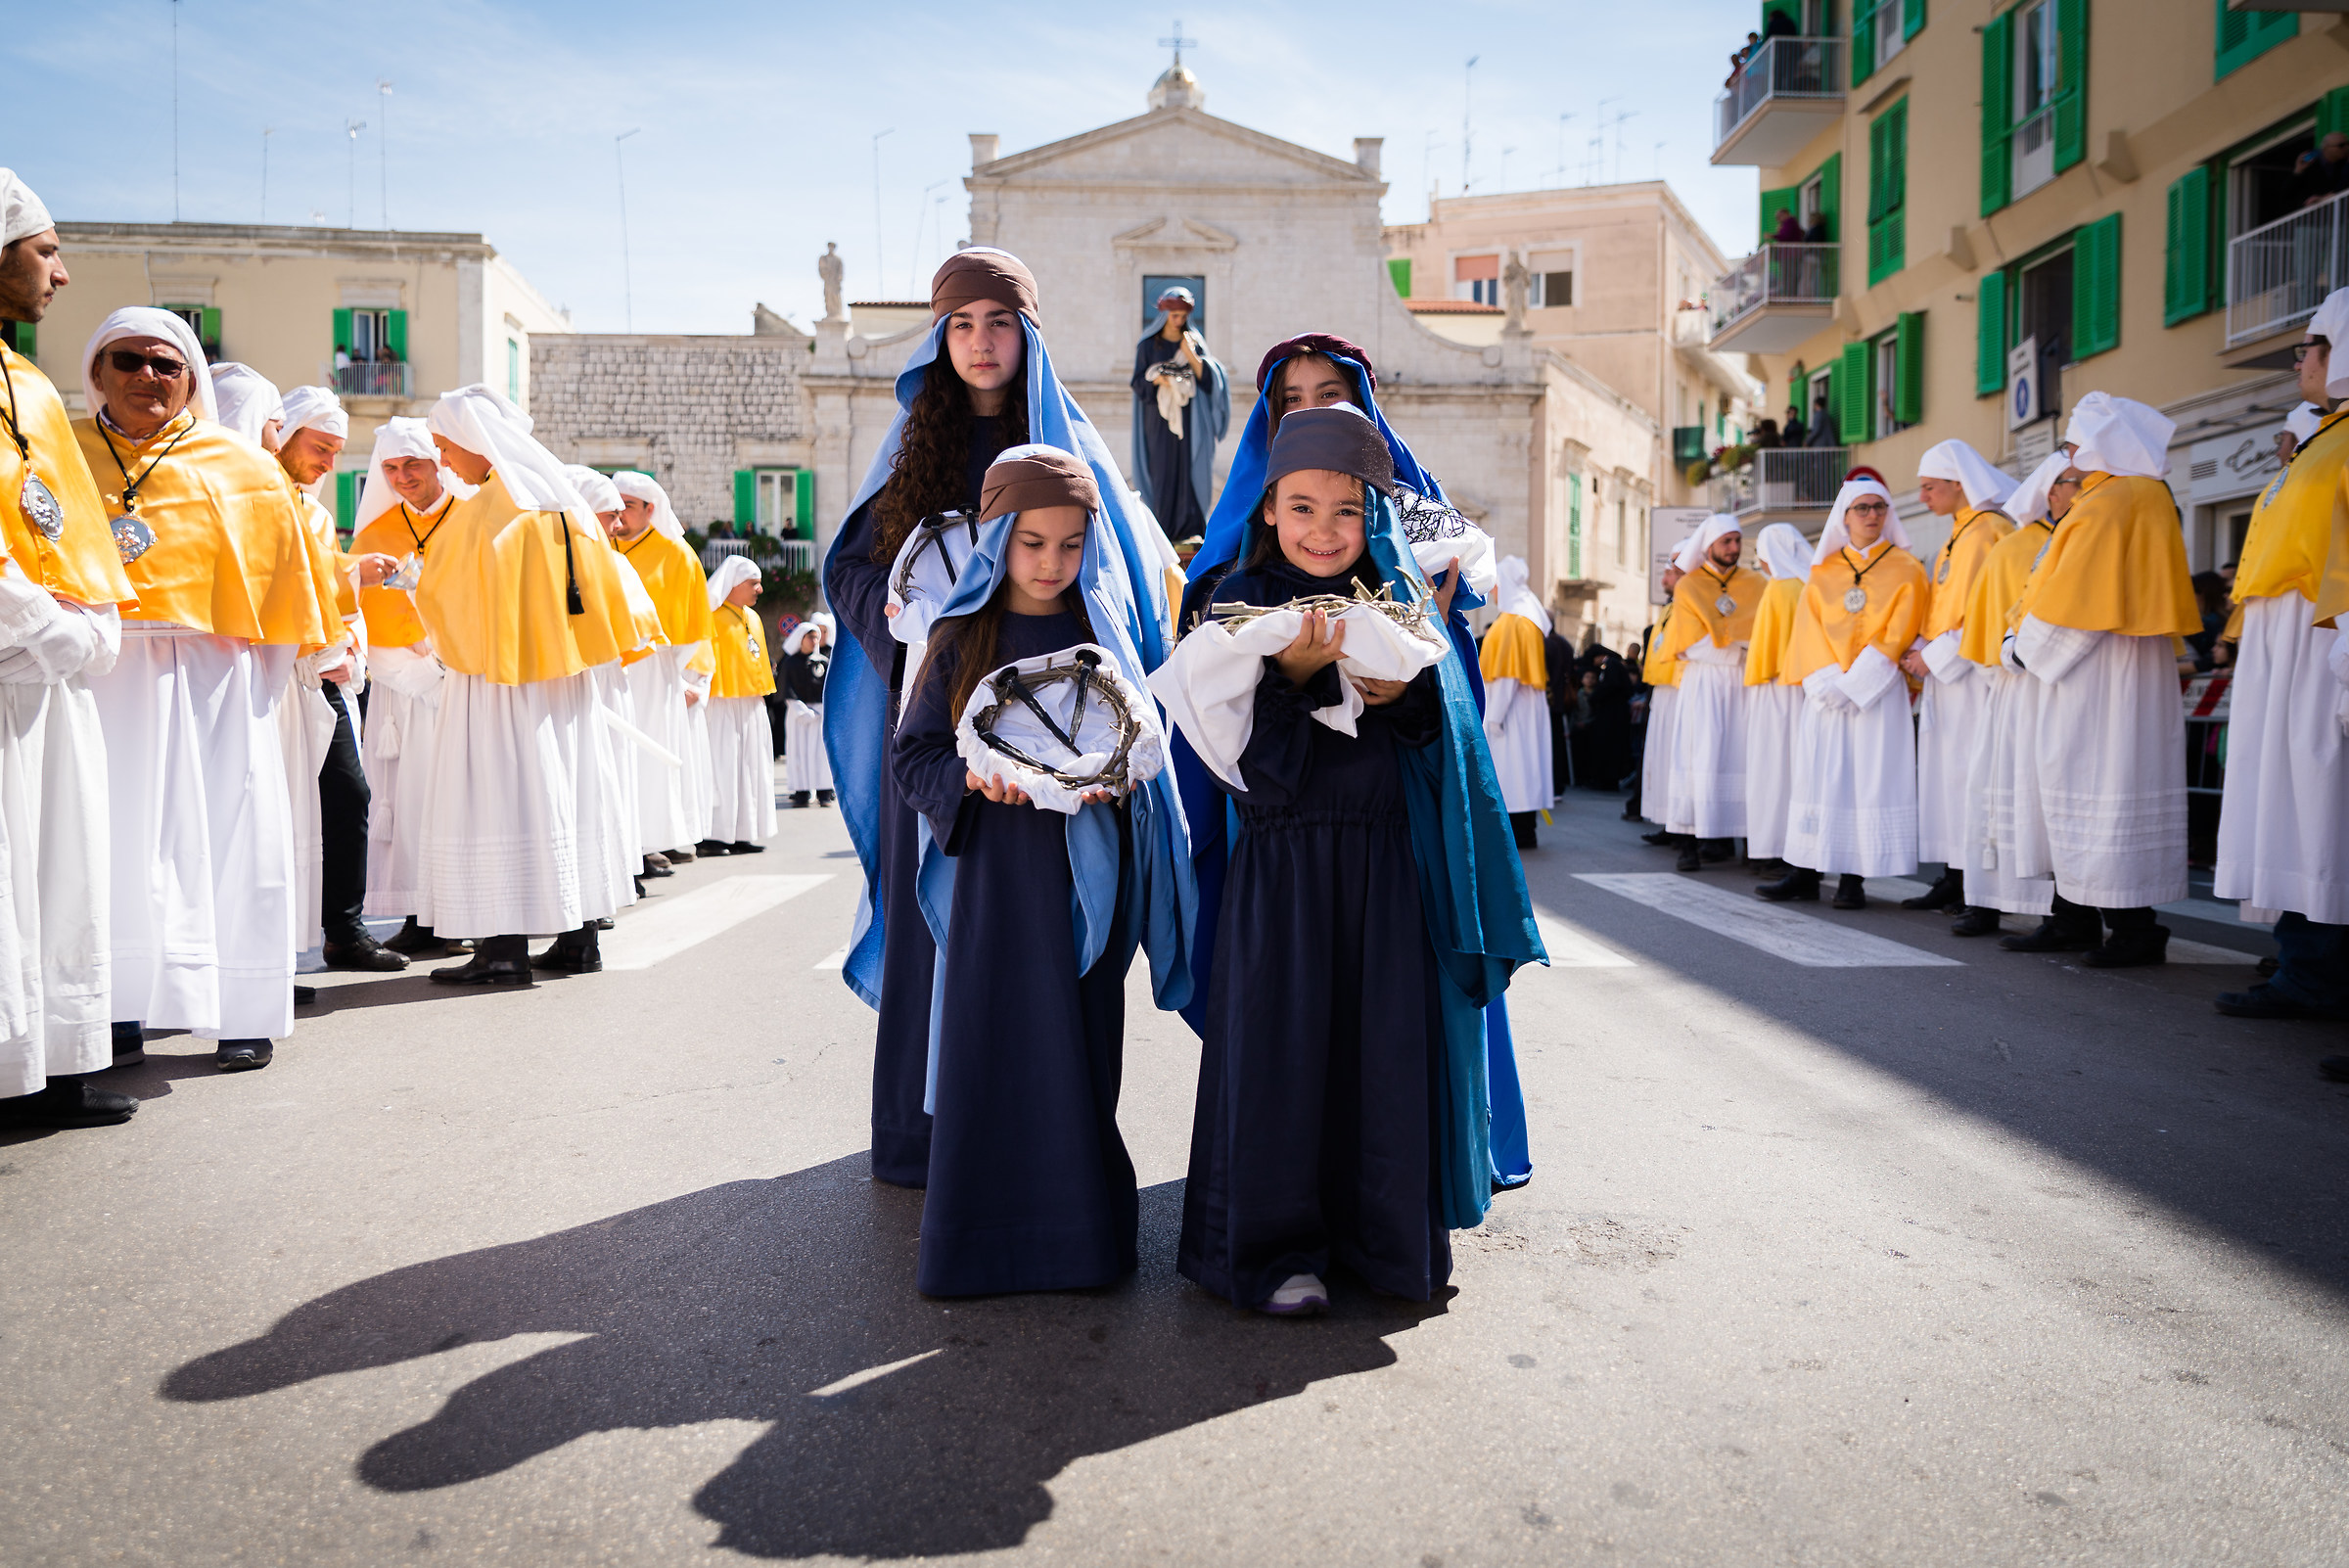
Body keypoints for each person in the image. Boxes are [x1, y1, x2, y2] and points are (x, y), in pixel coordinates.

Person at [1156, 406, 1540, 1315]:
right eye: (1301, 508)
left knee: (1381, 1056)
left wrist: (1406, 699)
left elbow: (1444, 748)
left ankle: (1381, 1241)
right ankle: (1276, 1252)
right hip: (1282, 873)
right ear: (1270, 511)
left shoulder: (1402, 602)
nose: (1321, 531)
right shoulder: (1236, 603)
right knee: (1284, 1058)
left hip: (1384, 872)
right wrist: (1286, 681)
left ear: (1373, 513)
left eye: (1343, 510)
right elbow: (1247, 770)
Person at [823, 247, 1178, 1189]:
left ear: (1027, 334)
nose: (981, 344)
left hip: (1057, 727)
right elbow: (853, 569)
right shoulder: (910, 449)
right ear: (940, 336)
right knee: (929, 921)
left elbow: (1119, 585)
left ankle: (1040, 1131)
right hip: (939, 726)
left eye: (998, 324)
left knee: (1049, 931)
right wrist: (915, 628)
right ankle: (920, 1135)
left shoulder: (1072, 447)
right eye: (961, 325)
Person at [893, 445, 1192, 1296]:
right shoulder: (961, 634)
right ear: (995, 538)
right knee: (991, 1047)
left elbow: (1145, 748)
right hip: (992, 878)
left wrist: (1118, 782)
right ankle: (980, 1243)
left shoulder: (1102, 635)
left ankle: (1079, 1240)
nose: (1052, 563)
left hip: (1085, 879)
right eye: (1032, 543)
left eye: (1069, 544)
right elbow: (913, 758)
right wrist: (970, 780)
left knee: (1080, 1043)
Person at [74, 307, 343, 1072]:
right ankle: (119, 1005)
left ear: (191, 378)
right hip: (100, 676)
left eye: (167, 365)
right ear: (98, 371)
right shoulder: (57, 455)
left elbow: (283, 598)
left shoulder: (244, 468)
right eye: (127, 361)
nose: (147, 377)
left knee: (231, 838)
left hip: (216, 679)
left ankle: (242, 1007)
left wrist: (255, 689)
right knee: (111, 845)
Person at [411, 386, 641, 982]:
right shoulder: (563, 501)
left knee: (501, 797)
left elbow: (447, 598)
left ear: (474, 443)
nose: (442, 461)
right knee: (567, 791)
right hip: (564, 680)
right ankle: (578, 941)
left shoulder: (491, 508)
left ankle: (502, 948)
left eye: (444, 447)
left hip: (500, 684)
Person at [0, 173, 141, 1129]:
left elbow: (72, 532)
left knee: (62, 872)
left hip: (53, 679)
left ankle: (55, 1060)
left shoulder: (28, 385)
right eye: (45, 249)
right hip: (18, 662)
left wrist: (91, 626)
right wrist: (53, 630)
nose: (62, 271)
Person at [1999, 393, 2199, 966]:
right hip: (2108, 665)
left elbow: (2077, 604)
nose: (2068, 456)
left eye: (2074, 444)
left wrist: (2020, 650)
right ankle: (2075, 917)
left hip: (2098, 671)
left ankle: (2131, 929)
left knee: (2098, 790)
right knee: (2086, 792)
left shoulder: (2112, 501)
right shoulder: (2132, 495)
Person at [2212, 294, 2349, 1019]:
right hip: (2290, 641)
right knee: (2298, 810)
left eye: (2311, 346)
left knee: (2321, 808)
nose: (2300, 360)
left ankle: (2317, 971)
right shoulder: (2327, 439)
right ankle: (2305, 964)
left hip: (2321, 641)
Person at [271, 384, 406, 972]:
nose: (329, 464)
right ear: (284, 435)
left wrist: (352, 584)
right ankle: (271, 948)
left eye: (335, 453)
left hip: (321, 671)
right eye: (321, 448)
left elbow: (321, 582)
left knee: (349, 794)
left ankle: (344, 931)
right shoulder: (260, 495)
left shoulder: (317, 511)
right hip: (272, 672)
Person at [1761, 477, 1928, 908]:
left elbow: (1902, 628)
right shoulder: (1823, 571)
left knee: (1866, 781)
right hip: (1827, 695)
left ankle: (1854, 878)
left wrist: (1858, 683)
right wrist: (1827, 682)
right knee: (1820, 779)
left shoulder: (1907, 569)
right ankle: (1805, 871)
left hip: (1877, 692)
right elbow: (1808, 629)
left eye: (1880, 508)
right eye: (1863, 508)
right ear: (1845, 517)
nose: (1873, 515)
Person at [350, 418, 470, 956]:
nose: (402, 477)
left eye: (412, 464)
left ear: (437, 462)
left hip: (466, 683)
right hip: (404, 692)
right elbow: (360, 620)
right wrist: (416, 674)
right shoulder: (374, 536)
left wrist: (448, 665)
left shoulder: (472, 520)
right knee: (408, 800)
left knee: (462, 798)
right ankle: (421, 915)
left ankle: (467, 908)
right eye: (391, 468)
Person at [1954, 452, 2073, 940]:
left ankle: (2063, 912)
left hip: (2065, 691)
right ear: (2051, 491)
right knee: (1998, 797)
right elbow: (1988, 632)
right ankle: (1988, 902)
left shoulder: (2083, 537)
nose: (2083, 489)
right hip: (2014, 691)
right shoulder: (2010, 548)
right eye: (2074, 482)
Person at [1898, 439, 2016, 917]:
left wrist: (1935, 656)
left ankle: (1981, 888)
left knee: (1973, 776)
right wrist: (1923, 649)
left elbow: (1985, 612)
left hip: (1971, 675)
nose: (1923, 497)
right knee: (1948, 779)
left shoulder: (1988, 530)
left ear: (1956, 485)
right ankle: (1955, 875)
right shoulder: (1959, 531)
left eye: (1929, 488)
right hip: (1947, 673)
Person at [604, 470, 715, 866]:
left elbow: (692, 628)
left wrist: (678, 676)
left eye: (628, 508)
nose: (619, 518)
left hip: (654, 672)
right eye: (615, 509)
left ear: (651, 510)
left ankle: (647, 842)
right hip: (608, 664)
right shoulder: (603, 546)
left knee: (648, 755)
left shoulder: (677, 554)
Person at [1660, 514, 1764, 871]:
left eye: (1738, 541)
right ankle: (1689, 843)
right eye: (1727, 542)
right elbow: (1692, 646)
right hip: (1703, 684)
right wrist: (1739, 650)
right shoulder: (1688, 586)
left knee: (1745, 757)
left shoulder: (1757, 583)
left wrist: (1744, 649)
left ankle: (1753, 844)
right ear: (1709, 547)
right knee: (1696, 758)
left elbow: (1761, 635)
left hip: (1744, 685)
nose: (1734, 548)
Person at [1129, 285, 1228, 544]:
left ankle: (1190, 528)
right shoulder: (1149, 346)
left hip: (1191, 419)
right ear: (1164, 315)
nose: (1178, 320)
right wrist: (1159, 380)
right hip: (1159, 421)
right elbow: (1139, 383)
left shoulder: (1193, 343)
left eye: (1183, 316)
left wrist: (1190, 355)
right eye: (1174, 315)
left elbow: (1209, 380)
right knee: (1162, 469)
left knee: (1190, 469)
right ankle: (1164, 530)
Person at [1741, 522, 1813, 878]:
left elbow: (1767, 651)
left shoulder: (1779, 589)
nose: (1760, 562)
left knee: (1771, 772)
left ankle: (1771, 848)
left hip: (1775, 694)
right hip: (1803, 690)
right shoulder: (1810, 586)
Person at [703, 556, 776, 854]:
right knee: (722, 768)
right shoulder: (711, 615)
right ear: (733, 585)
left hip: (750, 703)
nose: (759, 589)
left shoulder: (753, 617)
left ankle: (743, 832)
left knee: (750, 769)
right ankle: (714, 836)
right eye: (753, 583)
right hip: (720, 704)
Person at [1480, 557, 1553, 850]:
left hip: (1511, 708)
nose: (1494, 592)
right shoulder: (1525, 616)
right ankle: (1525, 830)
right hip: (1523, 706)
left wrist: (1495, 716)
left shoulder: (1513, 620)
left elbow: (1508, 675)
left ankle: (1519, 833)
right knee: (1523, 768)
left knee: (1513, 770)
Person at [1635, 553, 1687, 843]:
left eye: (1669, 573)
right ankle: (1668, 820)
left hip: (1678, 689)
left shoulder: (1685, 606)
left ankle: (1679, 825)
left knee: (1674, 757)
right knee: (1662, 757)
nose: (1664, 579)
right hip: (1663, 689)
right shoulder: (1670, 608)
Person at [779, 619, 833, 807]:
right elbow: (787, 689)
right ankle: (801, 792)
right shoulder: (791, 663)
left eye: (817, 637)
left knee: (821, 755)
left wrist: (822, 709)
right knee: (799, 753)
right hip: (798, 715)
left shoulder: (824, 661)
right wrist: (801, 711)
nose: (814, 641)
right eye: (810, 637)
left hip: (820, 714)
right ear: (801, 639)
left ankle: (824, 792)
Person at [2294, 131, 2349, 208]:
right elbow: (2290, 194)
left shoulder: (2345, 163)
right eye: (2341, 145)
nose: (2347, 148)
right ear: (2326, 147)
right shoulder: (2312, 164)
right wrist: (2298, 170)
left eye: (2348, 144)